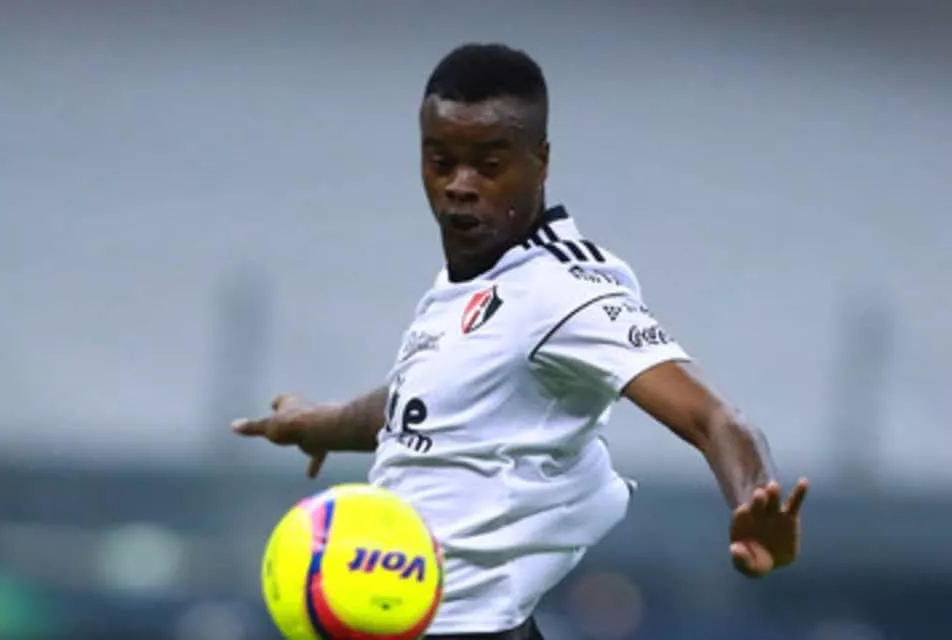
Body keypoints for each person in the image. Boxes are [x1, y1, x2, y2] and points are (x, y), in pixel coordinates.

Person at [233, 42, 808, 640]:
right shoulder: (467, 288)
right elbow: (425, 404)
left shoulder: (563, 289)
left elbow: (711, 415)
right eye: (441, 161)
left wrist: (754, 496)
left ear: (541, 161)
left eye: (488, 165)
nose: (460, 185)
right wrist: (319, 424)